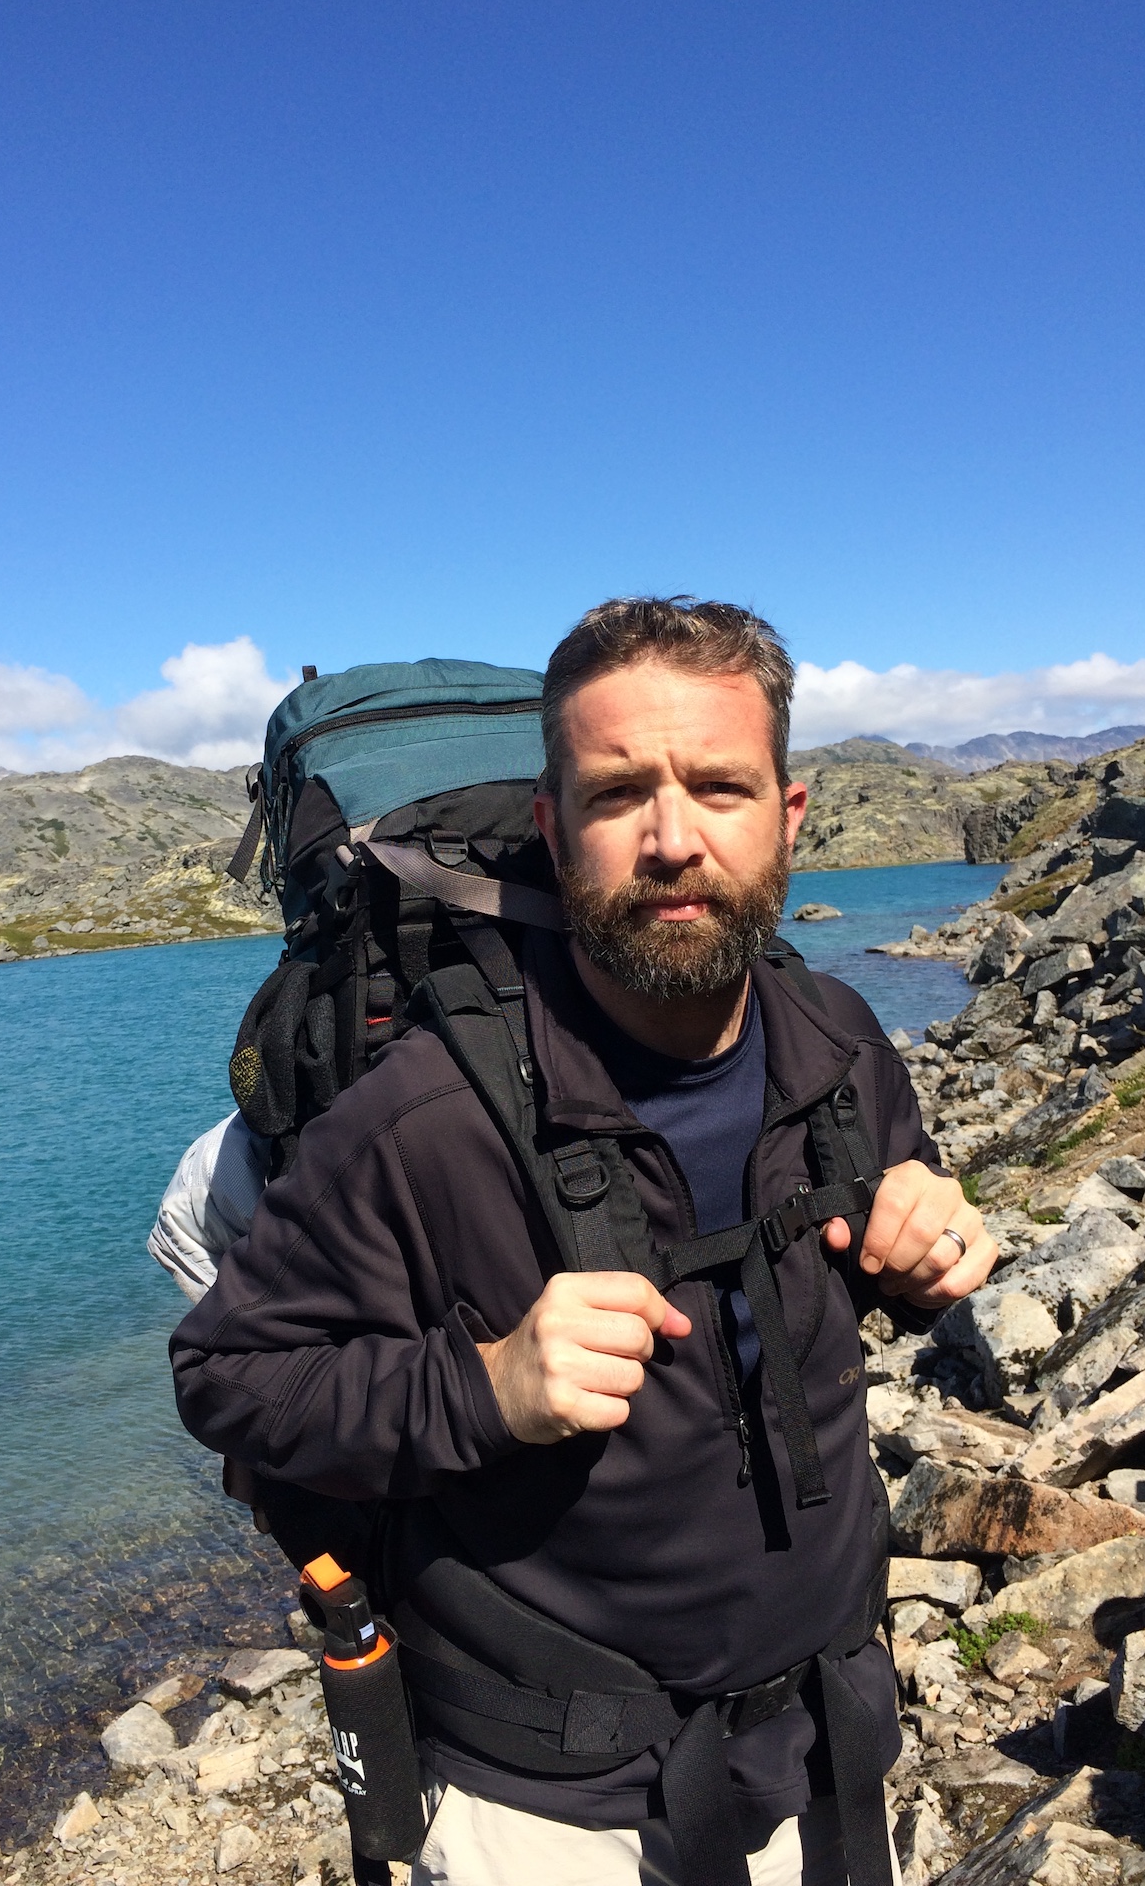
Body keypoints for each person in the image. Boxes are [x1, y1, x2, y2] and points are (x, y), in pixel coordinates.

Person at [171, 597, 997, 1886]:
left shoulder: (837, 1038)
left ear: (787, 816)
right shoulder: (427, 1119)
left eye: (720, 786)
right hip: (557, 1814)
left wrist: (920, 1255)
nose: (673, 840)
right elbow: (228, 1375)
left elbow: (836, 1282)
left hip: (829, 1748)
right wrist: (486, 1387)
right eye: (620, 795)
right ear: (555, 831)